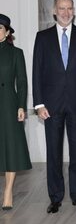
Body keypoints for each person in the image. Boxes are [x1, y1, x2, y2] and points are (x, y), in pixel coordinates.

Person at [32, 0, 76, 213]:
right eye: (62, 8)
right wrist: (39, 104)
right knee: (54, 153)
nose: (66, 12)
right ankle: (55, 197)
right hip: (51, 106)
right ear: (54, 10)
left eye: (69, 8)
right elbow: (37, 73)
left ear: (74, 10)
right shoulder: (42, 37)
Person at [0, 14, 32, 210]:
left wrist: (21, 106)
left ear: (7, 32)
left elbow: (21, 82)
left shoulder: (16, 53)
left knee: (11, 147)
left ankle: (8, 191)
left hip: (8, 104)